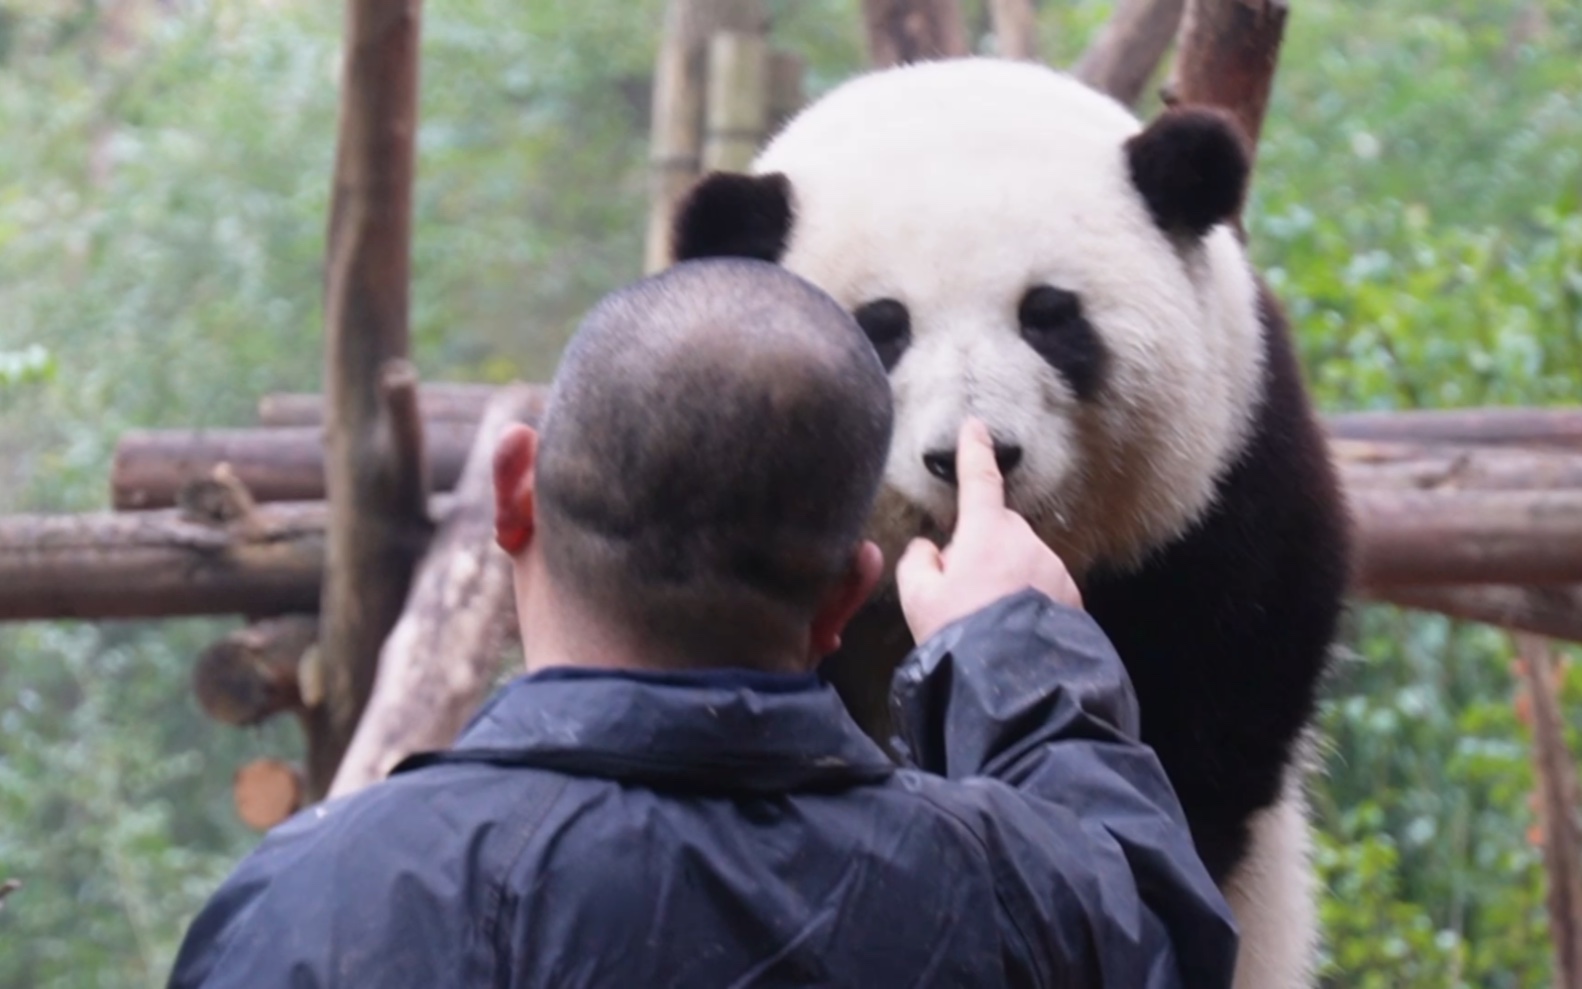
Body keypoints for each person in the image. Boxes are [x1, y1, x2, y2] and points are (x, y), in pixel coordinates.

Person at [168, 259, 1237, 988]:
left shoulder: (309, 908)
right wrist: (1017, 652)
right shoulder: (1009, 904)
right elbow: (1154, 929)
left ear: (511, 491)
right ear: (845, 595)